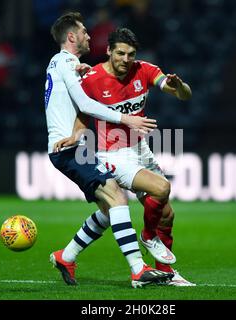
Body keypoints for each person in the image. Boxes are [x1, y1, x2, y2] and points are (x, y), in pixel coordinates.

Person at [55, 27, 195, 286]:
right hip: (112, 153)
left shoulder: (144, 69)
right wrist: (76, 136)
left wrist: (181, 86)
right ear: (108, 51)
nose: (125, 59)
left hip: (140, 149)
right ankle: (148, 236)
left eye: (130, 54)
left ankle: (166, 274)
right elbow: (83, 113)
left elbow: (182, 95)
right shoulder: (92, 78)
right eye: (120, 53)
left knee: (166, 215)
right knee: (161, 188)